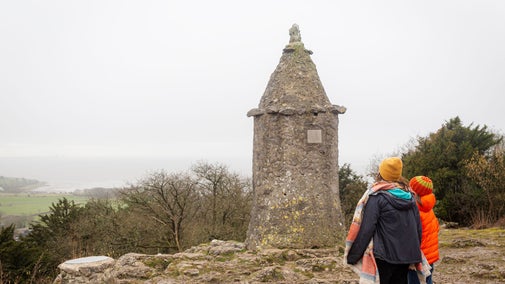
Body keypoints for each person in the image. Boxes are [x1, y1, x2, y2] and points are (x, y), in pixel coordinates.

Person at [344, 157, 424, 284]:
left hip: (385, 255)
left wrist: (353, 255)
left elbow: (367, 228)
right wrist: (413, 251)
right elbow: (418, 229)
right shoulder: (410, 197)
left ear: (381, 173)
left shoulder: (377, 197)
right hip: (406, 255)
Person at [407, 176, 440, 284]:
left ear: (415, 192)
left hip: (418, 258)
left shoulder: (415, 210)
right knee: (427, 280)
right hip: (430, 256)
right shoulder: (427, 207)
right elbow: (436, 228)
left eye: (410, 188)